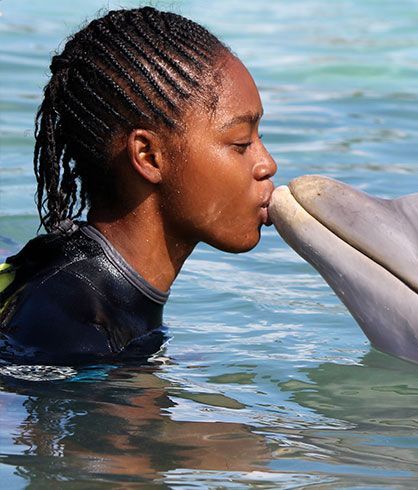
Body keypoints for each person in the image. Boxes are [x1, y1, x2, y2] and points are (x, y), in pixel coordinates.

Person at [0, 7, 277, 364]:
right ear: (148, 156)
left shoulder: (77, 285)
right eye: (241, 143)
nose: (268, 163)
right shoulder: (76, 334)